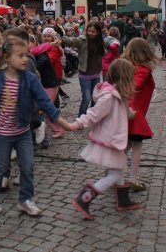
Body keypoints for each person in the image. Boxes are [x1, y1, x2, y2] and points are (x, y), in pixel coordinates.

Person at [0, 36, 71, 216]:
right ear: (7, 58)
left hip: (23, 131)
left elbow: (45, 102)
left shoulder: (29, 78)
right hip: (3, 133)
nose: (25, 59)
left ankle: (26, 199)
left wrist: (64, 124)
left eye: (26, 54)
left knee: (28, 166)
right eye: (21, 55)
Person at [68, 59, 141, 219]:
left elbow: (122, 109)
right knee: (115, 174)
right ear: (124, 78)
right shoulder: (109, 97)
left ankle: (123, 200)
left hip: (114, 141)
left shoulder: (119, 94)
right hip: (109, 141)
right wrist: (78, 123)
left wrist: (130, 114)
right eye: (131, 77)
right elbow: (94, 113)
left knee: (119, 169)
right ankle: (84, 198)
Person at [122, 38, 158, 192]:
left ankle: (113, 173)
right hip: (134, 113)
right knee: (136, 146)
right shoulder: (142, 69)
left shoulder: (127, 67)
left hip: (129, 111)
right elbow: (134, 87)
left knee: (127, 145)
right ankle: (132, 179)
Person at [62, 22, 106, 117]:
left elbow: (105, 51)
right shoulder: (82, 40)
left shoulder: (100, 42)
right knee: (86, 98)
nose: (91, 33)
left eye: (93, 31)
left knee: (95, 97)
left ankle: (91, 116)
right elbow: (71, 41)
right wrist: (62, 38)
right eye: (89, 31)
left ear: (98, 32)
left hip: (96, 74)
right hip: (84, 74)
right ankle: (81, 118)